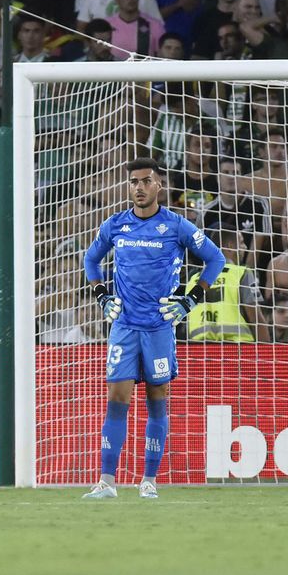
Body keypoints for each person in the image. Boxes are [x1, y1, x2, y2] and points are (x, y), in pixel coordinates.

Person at [82, 157, 226, 501]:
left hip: (159, 327)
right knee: (116, 400)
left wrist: (189, 301)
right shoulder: (116, 225)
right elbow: (90, 259)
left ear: (159, 185)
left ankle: (148, 480)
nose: (139, 187)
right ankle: (106, 481)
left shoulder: (177, 225)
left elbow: (216, 259)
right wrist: (102, 295)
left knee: (156, 400)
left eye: (146, 181)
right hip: (124, 326)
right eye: (134, 182)